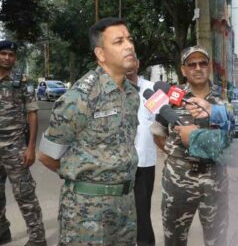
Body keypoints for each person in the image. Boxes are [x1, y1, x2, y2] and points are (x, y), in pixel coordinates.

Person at [38, 18, 140, 245]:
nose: (129, 46)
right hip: (87, 211)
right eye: (119, 41)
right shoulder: (80, 98)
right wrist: (86, 180)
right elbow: (46, 156)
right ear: (101, 54)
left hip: (125, 204)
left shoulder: (132, 95)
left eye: (130, 39)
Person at [151, 45, 229, 246]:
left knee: (217, 240)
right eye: (191, 64)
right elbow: (158, 134)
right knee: (175, 240)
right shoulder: (170, 98)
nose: (197, 68)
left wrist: (195, 139)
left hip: (214, 180)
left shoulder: (223, 99)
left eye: (202, 63)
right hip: (178, 181)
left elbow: (227, 141)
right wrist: (177, 157)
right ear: (183, 69)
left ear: (209, 66)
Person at [0, 40, 47, 246]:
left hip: (15, 148)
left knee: (25, 194)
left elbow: (32, 113)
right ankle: (2, 230)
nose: (7, 57)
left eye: (11, 54)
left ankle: (37, 239)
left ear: (15, 58)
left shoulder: (20, 81)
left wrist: (30, 147)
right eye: (3, 54)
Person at [126, 60, 157, 246]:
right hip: (121, 162)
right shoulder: (113, 89)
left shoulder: (150, 89)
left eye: (132, 59)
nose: (128, 63)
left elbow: (161, 118)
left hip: (145, 162)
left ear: (138, 64)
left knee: (143, 209)